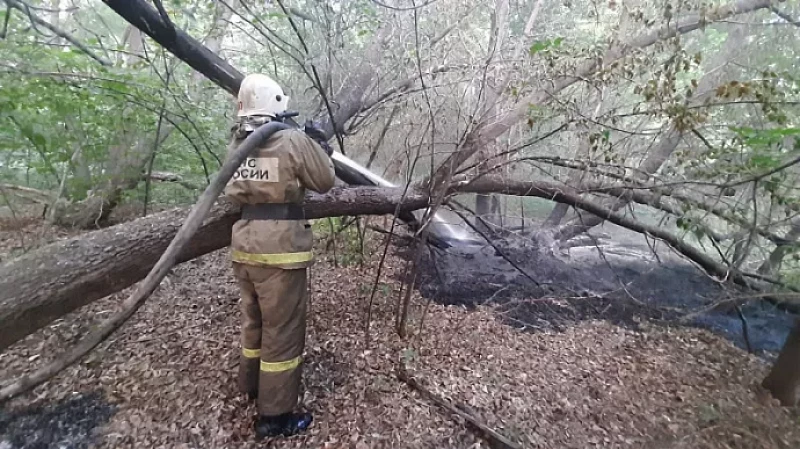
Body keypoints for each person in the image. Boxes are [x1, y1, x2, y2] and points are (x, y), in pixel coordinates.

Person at [222, 73, 335, 439]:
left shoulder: (236, 144)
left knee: (254, 323)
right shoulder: (291, 140)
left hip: (245, 247)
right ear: (276, 104)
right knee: (282, 334)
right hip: (280, 253)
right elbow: (324, 180)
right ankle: (275, 417)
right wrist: (316, 143)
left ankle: (250, 386)